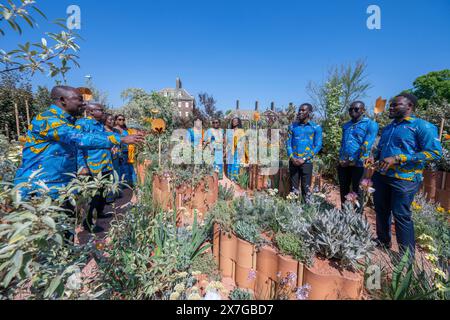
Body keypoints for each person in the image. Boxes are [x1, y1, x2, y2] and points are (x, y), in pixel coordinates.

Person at [14, 86, 143, 236]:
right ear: (63, 100)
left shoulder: (68, 122)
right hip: (40, 190)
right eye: (79, 100)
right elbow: (79, 138)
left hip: (63, 188)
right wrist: (119, 139)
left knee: (65, 238)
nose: (83, 104)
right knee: (44, 242)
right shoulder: (47, 120)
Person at [366, 94, 442, 255]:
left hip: (405, 180)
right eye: (391, 105)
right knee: (381, 209)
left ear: (409, 106)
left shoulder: (422, 126)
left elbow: (434, 153)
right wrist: (374, 156)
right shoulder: (388, 128)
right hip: (382, 175)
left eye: (396, 105)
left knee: (401, 215)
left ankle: (406, 255)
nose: (391, 108)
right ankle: (383, 241)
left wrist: (400, 158)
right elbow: (382, 150)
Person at [76, 103, 117, 233]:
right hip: (92, 166)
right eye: (100, 110)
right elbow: (77, 146)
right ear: (91, 111)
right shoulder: (83, 124)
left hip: (105, 164)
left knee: (102, 193)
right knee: (92, 196)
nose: (103, 112)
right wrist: (82, 166)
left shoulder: (100, 125)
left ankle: (99, 214)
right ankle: (87, 223)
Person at [338, 101, 379, 210]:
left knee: (358, 191)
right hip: (343, 163)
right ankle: (344, 213)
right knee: (344, 189)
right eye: (350, 109)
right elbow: (343, 143)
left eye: (356, 109)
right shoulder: (346, 125)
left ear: (363, 110)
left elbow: (366, 145)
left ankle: (356, 218)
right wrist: (340, 159)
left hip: (359, 164)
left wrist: (351, 160)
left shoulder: (371, 124)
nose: (353, 111)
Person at [286, 103, 323, 202]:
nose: (300, 112)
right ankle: (292, 211)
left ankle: (305, 211)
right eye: (299, 110)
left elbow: (318, 145)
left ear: (309, 112)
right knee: (293, 189)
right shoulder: (292, 126)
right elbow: (288, 143)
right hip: (293, 161)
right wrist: (292, 157)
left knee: (306, 189)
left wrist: (304, 159)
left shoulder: (316, 127)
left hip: (306, 162)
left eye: (303, 110)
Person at [114, 115, 137, 187]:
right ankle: (122, 185)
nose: (122, 121)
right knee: (120, 168)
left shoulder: (126, 130)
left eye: (123, 119)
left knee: (130, 167)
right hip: (118, 152)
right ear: (116, 120)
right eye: (119, 119)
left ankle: (132, 183)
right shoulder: (113, 130)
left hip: (128, 151)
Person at [226, 117, 248, 182]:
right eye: (233, 121)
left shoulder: (241, 131)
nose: (234, 122)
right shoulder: (230, 131)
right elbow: (227, 141)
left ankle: (235, 177)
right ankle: (230, 176)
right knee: (230, 162)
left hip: (237, 149)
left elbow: (243, 140)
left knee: (235, 162)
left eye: (235, 121)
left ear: (238, 122)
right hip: (230, 149)